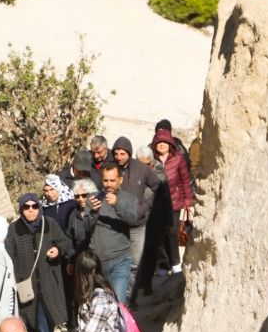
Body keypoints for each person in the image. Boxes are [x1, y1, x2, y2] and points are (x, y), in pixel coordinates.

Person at [68, 164, 147, 304]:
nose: (109, 184)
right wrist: (93, 212)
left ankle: (121, 326)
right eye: (105, 180)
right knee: (98, 303)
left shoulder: (129, 198)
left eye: (112, 180)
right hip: (98, 262)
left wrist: (117, 205)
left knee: (118, 302)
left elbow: (133, 220)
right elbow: (86, 227)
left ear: (120, 180)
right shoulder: (94, 198)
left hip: (120, 260)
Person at [8, 193, 74, 332]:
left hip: (48, 284)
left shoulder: (49, 224)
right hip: (26, 287)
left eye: (34, 206)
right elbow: (8, 255)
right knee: (28, 325)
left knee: (46, 324)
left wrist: (58, 250)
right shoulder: (14, 229)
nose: (31, 210)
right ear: (21, 209)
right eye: (27, 207)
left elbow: (66, 243)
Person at [106, 137, 162, 301]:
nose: (118, 157)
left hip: (137, 224)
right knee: (115, 261)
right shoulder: (110, 169)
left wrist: (145, 206)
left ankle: (131, 297)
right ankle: (117, 298)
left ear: (129, 153)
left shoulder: (141, 169)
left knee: (135, 263)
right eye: (115, 153)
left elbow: (160, 188)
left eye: (122, 153)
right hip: (115, 224)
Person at [148, 127, 193, 279]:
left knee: (172, 232)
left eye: (164, 142)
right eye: (159, 142)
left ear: (170, 144)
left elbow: (185, 180)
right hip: (155, 204)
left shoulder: (178, 158)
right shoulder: (151, 160)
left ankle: (175, 263)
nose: (161, 145)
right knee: (158, 234)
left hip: (174, 202)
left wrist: (188, 202)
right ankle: (162, 264)